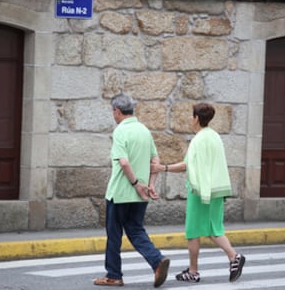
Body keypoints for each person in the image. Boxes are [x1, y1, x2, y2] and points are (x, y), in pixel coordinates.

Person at [152, 102, 245, 283]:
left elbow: (187, 166)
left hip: (201, 191)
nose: (190, 118)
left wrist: (162, 167)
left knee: (193, 231)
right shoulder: (215, 136)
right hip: (216, 189)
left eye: (191, 115)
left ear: (196, 118)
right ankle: (234, 258)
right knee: (214, 228)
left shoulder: (198, 140)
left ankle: (194, 271)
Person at [94, 94, 170, 288]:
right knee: (136, 230)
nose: (113, 115)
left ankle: (114, 275)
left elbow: (124, 162)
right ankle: (157, 261)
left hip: (120, 192)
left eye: (113, 111)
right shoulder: (144, 130)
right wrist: (150, 184)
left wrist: (136, 183)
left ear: (117, 111)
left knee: (114, 235)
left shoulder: (120, 131)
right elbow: (155, 162)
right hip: (141, 194)